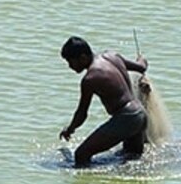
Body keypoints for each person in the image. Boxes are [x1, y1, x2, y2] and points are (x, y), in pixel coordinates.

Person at [58, 36, 152, 166]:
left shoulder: (90, 79)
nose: (70, 66)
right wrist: (142, 60)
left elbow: (82, 114)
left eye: (71, 62)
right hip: (140, 114)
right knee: (131, 158)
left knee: (81, 154)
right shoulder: (112, 56)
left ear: (83, 57)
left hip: (127, 118)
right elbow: (141, 67)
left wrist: (70, 129)